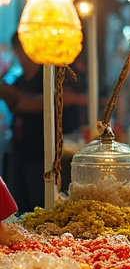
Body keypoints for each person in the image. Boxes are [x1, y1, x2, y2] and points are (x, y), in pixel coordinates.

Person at [0, 36, 87, 212]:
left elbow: (70, 98)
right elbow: (18, 105)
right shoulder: (18, 81)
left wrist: (21, 99)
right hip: (20, 152)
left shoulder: (51, 76)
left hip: (46, 157)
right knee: (19, 211)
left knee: (42, 208)